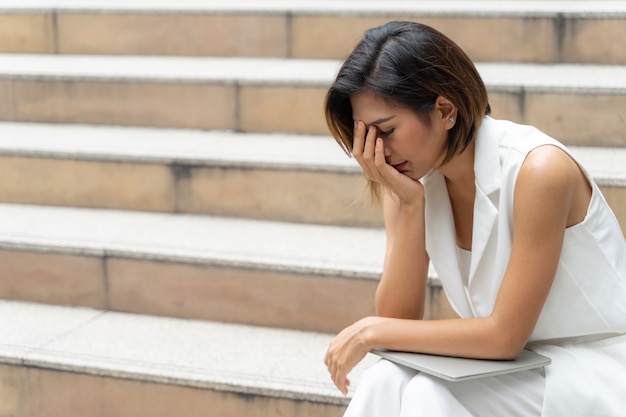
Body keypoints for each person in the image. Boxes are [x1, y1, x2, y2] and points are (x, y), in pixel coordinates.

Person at [323, 21, 626, 417]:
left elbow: (504, 337)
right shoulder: (410, 183)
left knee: (428, 395)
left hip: (593, 367)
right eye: (367, 136)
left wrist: (368, 330)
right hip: (510, 368)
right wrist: (410, 207)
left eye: (387, 130)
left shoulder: (539, 170)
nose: (376, 151)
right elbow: (398, 323)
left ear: (444, 110)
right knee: (385, 379)